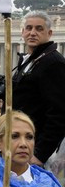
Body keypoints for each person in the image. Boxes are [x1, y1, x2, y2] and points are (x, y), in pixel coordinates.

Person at [13, 11, 65, 165]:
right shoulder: (32, 60)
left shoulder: (54, 62)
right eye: (28, 28)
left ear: (49, 33)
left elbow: (59, 114)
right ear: (22, 32)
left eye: (39, 29)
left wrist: (40, 155)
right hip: (22, 142)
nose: (32, 33)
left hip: (34, 149)